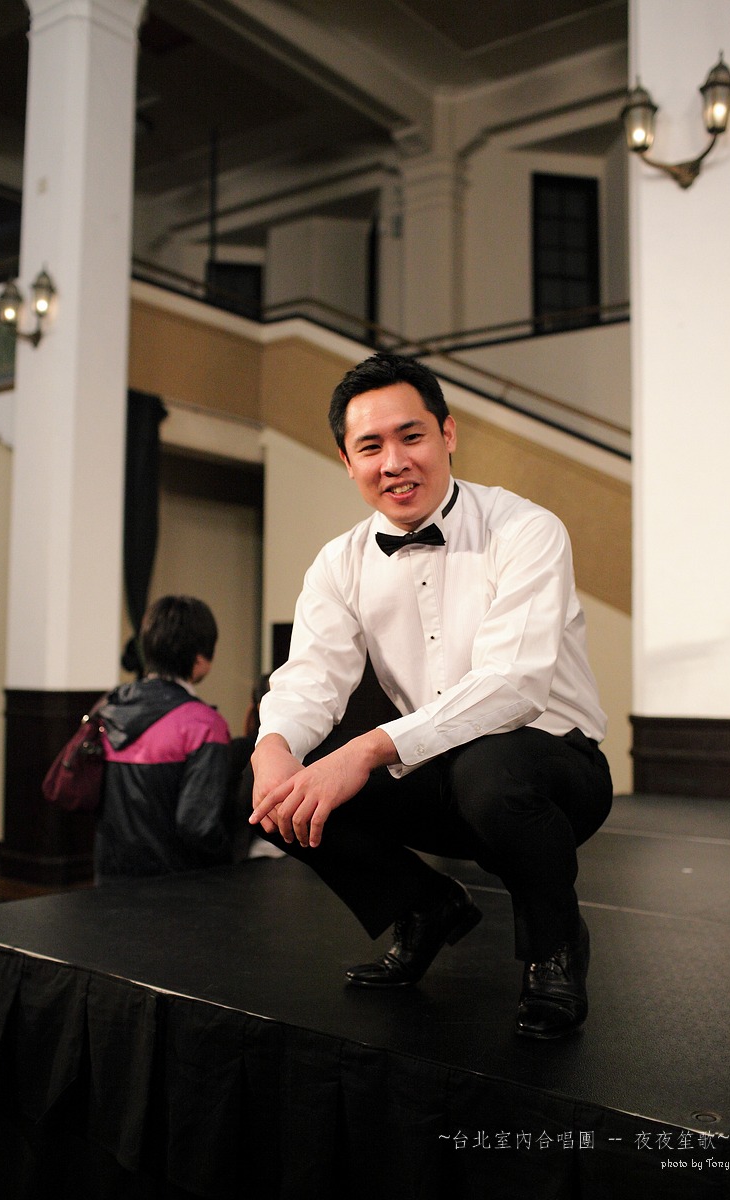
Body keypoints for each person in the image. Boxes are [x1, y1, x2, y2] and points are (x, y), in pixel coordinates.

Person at [249, 353, 613, 1039]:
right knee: (276, 789)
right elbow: (310, 678)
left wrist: (367, 750)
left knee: (491, 771)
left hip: (555, 772)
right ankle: (423, 907)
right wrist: (273, 749)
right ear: (346, 461)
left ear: (447, 433)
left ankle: (556, 946)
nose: (394, 462)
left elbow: (512, 685)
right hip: (438, 768)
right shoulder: (339, 562)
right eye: (370, 447)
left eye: (411, 436)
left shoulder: (526, 529)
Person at [96, 595, 233, 881]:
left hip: (108, 877)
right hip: (174, 887)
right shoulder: (204, 726)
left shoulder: (111, 707)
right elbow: (198, 825)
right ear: (200, 658)